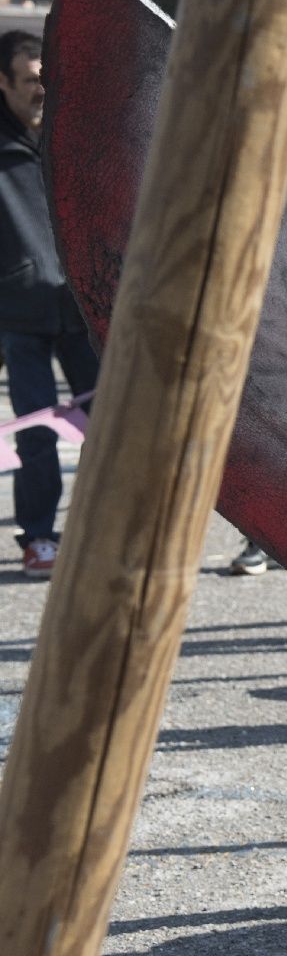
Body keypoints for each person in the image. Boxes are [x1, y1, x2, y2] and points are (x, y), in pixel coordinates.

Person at [0, 30, 98, 578]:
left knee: (108, 424)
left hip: (81, 310)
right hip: (20, 316)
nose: (42, 89)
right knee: (37, 427)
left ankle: (102, 531)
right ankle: (38, 537)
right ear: (3, 82)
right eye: (31, 80)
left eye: (46, 79)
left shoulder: (70, 136)